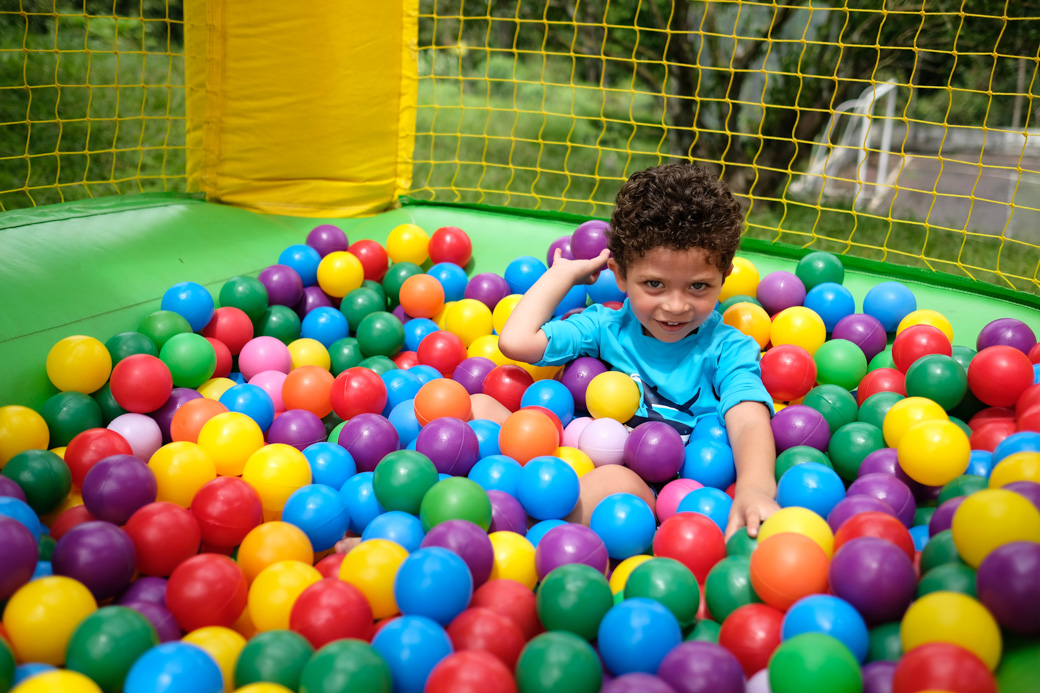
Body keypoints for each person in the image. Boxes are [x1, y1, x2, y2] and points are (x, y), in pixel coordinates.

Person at [472, 162, 779, 539]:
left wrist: (755, 488)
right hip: (571, 450)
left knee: (614, 480)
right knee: (476, 405)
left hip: (657, 484)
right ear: (619, 275)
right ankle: (493, 506)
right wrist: (560, 276)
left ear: (724, 276)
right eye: (654, 284)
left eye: (698, 286)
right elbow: (516, 342)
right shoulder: (606, 326)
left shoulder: (727, 347)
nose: (676, 306)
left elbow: (748, 420)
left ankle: (522, 528)